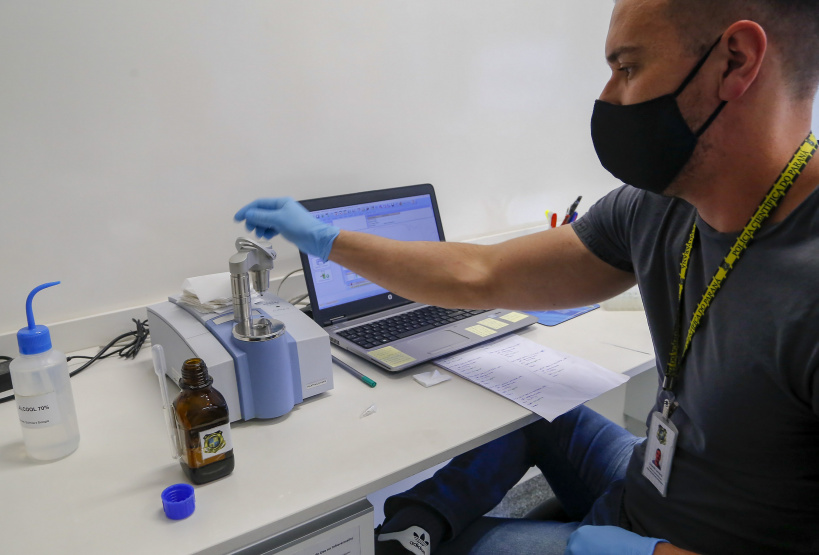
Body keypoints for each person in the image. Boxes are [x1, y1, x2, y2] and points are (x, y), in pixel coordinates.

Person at [234, 0, 819, 553]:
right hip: (650, 482)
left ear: (735, 60)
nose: (608, 95)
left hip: (690, 540)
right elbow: (480, 273)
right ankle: (419, 524)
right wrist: (332, 241)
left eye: (629, 67)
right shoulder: (658, 207)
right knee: (538, 418)